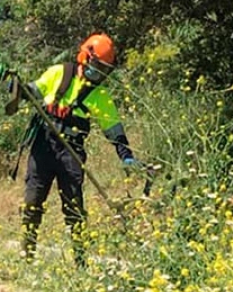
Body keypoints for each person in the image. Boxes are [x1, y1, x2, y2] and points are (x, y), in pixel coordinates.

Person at [9, 33, 141, 266]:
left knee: (74, 207)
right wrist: (18, 89)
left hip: (71, 151)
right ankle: (26, 254)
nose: (100, 73)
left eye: (105, 69)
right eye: (98, 66)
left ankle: (80, 260)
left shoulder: (100, 96)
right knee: (32, 200)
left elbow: (114, 130)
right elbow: (34, 91)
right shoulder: (59, 72)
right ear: (86, 57)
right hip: (43, 144)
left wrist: (126, 156)